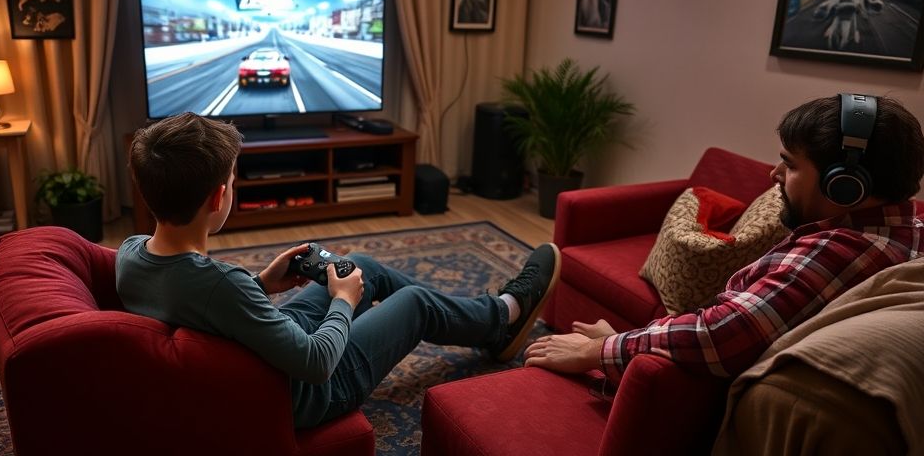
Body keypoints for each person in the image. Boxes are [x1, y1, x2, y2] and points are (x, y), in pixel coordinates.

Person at [118, 112, 560, 429]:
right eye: (233, 183)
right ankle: (503, 315)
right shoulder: (222, 285)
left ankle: (485, 323)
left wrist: (263, 284)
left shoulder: (132, 253)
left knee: (361, 266)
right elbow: (315, 363)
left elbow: (201, 305)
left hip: (257, 355)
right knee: (413, 302)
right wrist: (345, 301)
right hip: (306, 394)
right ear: (218, 198)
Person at [524, 94, 924, 385]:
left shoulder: (834, 251)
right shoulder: (907, 233)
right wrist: (623, 340)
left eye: (789, 164)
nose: (774, 176)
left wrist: (596, 351)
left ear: (845, 185)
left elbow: (718, 335)